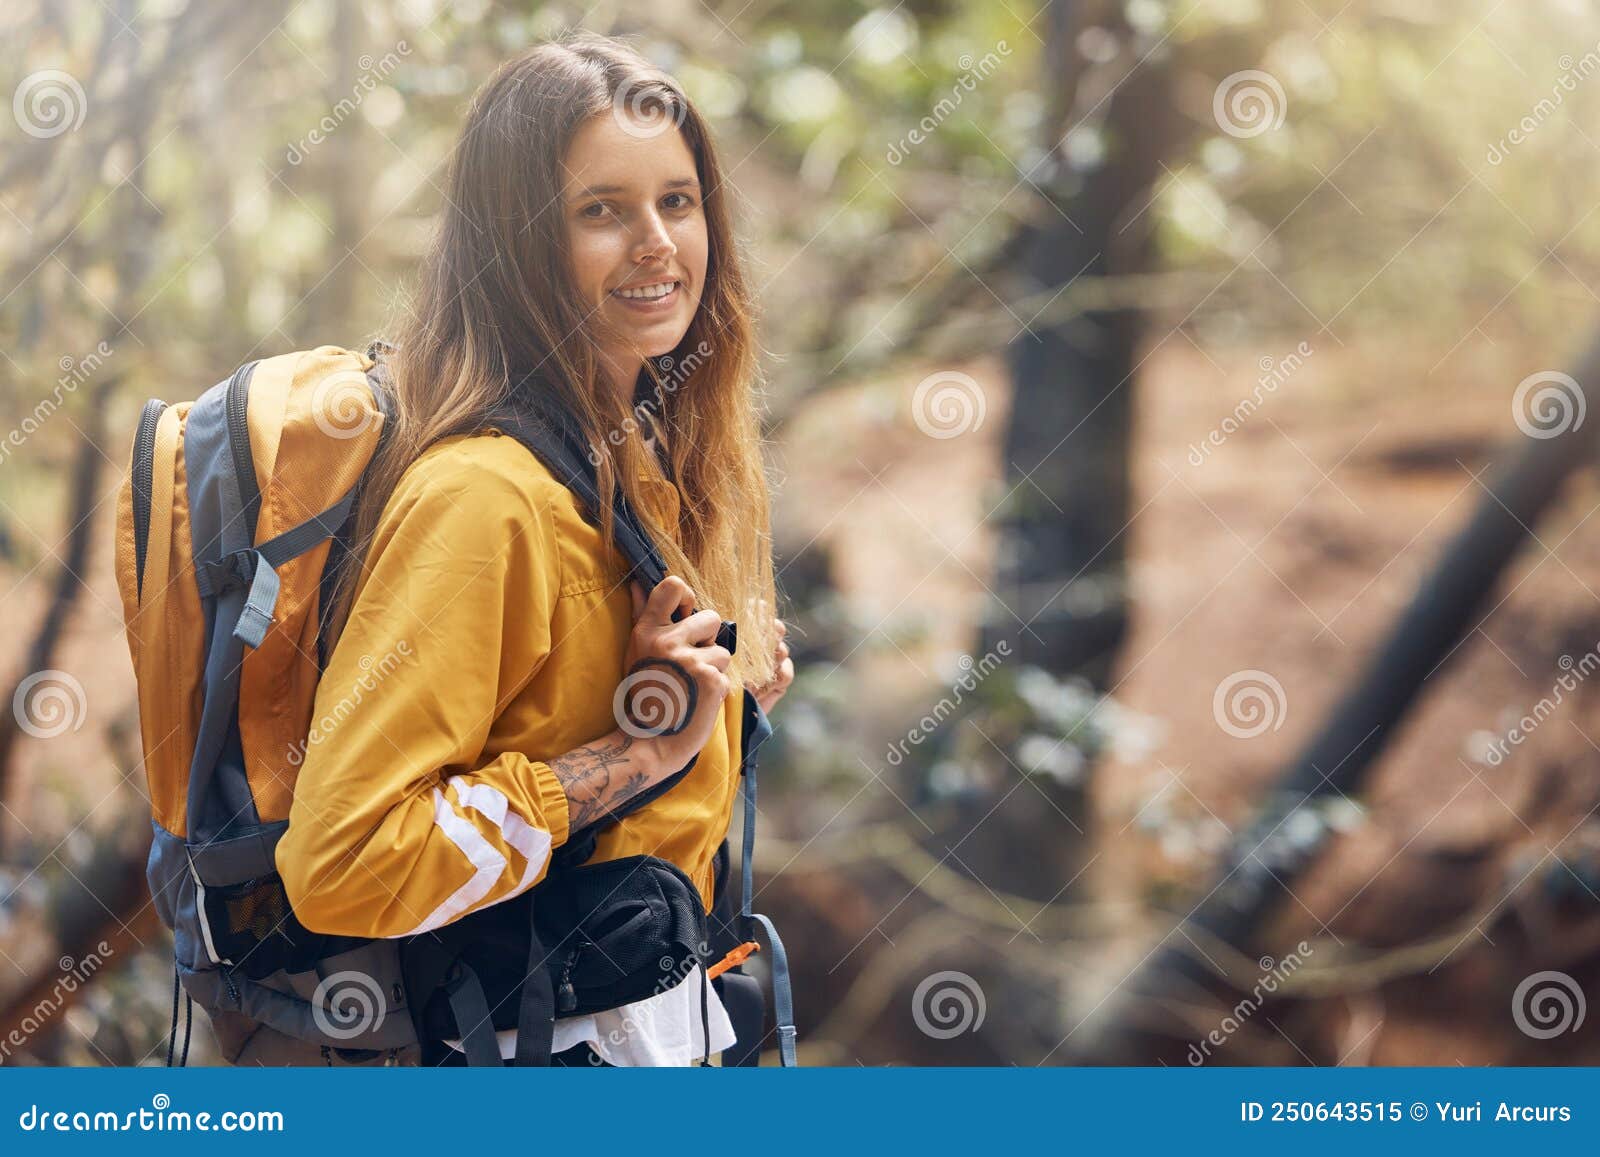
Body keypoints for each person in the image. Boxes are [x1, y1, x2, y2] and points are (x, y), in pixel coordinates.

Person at [272, 31, 794, 1067]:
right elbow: (342, 860)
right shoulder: (483, 497)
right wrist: (635, 755)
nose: (656, 242)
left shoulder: (635, 465)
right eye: (601, 209)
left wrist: (719, 708)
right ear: (519, 240)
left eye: (677, 202)